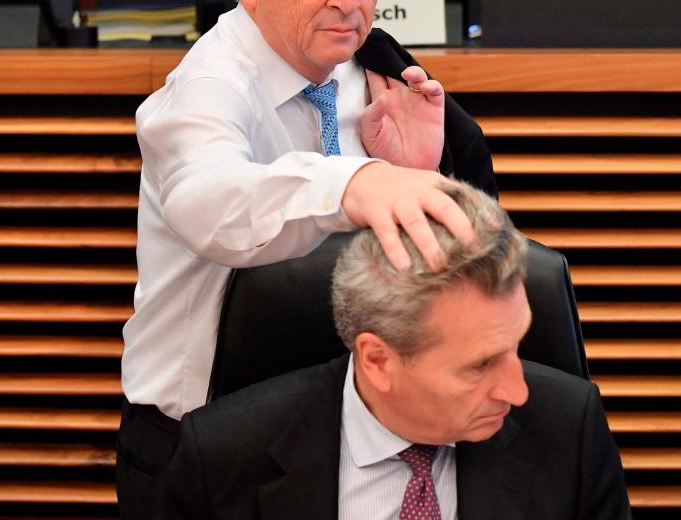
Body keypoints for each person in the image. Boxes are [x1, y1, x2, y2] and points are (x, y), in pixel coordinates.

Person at [116, 0, 496, 518]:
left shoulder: (378, 69)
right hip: (203, 447)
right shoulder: (207, 84)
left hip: (343, 441)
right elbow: (208, 202)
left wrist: (417, 177)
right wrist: (355, 182)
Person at [160, 179, 631, 519]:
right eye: (481, 365)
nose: (517, 390)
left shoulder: (569, 430)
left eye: (517, 345)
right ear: (377, 360)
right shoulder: (223, 457)